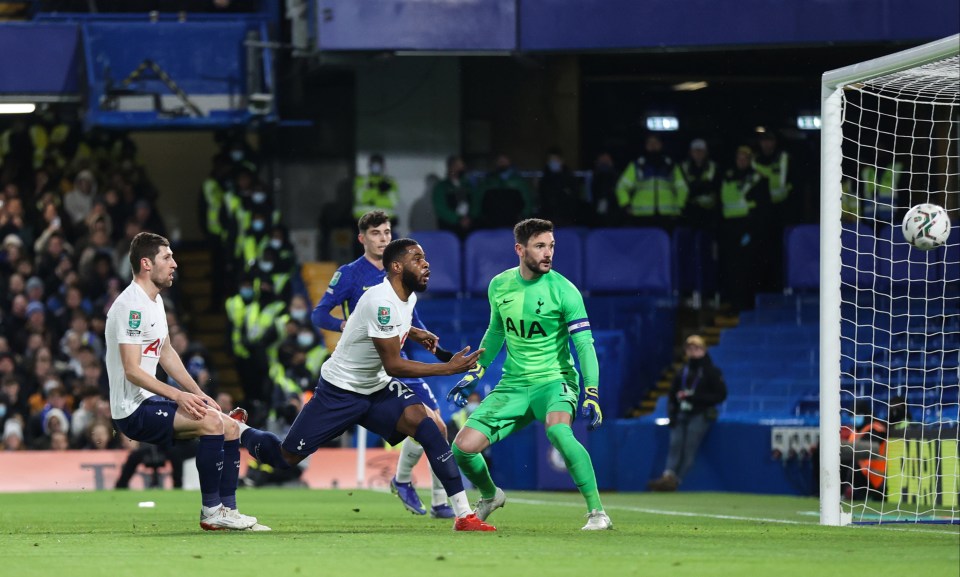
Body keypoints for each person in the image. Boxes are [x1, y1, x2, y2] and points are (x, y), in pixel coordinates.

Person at [235, 238, 496, 531]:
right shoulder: (379, 301)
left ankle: (463, 515)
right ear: (397, 267)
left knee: (431, 427)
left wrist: (412, 332)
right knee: (285, 457)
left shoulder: (406, 297)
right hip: (339, 392)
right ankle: (240, 430)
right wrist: (447, 369)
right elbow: (394, 365)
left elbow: (391, 329)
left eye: (425, 259)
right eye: (417, 259)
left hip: (376, 388)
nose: (426, 264)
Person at [447, 218, 613, 530]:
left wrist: (591, 389)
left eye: (551, 246)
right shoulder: (499, 285)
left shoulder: (565, 291)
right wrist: (475, 372)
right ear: (520, 249)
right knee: (462, 448)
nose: (548, 253)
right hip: (513, 384)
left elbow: (585, 345)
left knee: (559, 431)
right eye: (540, 246)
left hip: (555, 381)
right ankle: (490, 495)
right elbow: (496, 333)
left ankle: (597, 512)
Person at [104, 231, 269, 531]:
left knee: (229, 426)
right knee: (211, 424)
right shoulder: (131, 306)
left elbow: (166, 352)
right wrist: (179, 396)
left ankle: (228, 511)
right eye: (167, 257)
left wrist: (197, 392)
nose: (174, 264)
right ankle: (210, 511)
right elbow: (131, 369)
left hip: (151, 400)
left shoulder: (154, 302)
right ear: (146, 264)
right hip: (131, 410)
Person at [312, 210, 458, 519]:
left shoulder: (402, 269)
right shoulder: (350, 274)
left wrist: (425, 339)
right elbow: (319, 314)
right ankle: (409, 484)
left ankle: (434, 498)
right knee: (429, 425)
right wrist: (347, 326)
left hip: (399, 359)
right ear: (362, 238)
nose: (383, 238)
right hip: (370, 363)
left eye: (388, 232)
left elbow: (409, 315)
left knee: (438, 427)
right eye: (376, 233)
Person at [647, 334, 727, 492]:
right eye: (690, 348)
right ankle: (667, 476)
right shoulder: (683, 371)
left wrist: (696, 398)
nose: (693, 352)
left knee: (689, 448)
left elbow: (721, 394)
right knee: (675, 445)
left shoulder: (711, 371)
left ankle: (675, 481)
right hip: (682, 413)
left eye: (696, 348)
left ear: (704, 350)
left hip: (700, 414)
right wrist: (672, 414)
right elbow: (672, 395)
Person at [352, 154, 400, 223]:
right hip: (363, 218)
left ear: (383, 166)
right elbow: (360, 198)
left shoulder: (390, 182)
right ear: (369, 165)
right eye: (374, 164)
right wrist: (378, 192)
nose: (376, 167)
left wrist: (372, 199)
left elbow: (393, 202)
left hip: (385, 219)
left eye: (378, 164)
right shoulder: (361, 181)